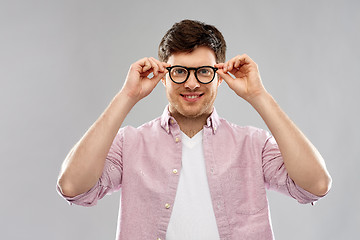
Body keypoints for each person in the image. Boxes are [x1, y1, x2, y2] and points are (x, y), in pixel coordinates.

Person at [57, 19, 332, 240]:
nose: (191, 84)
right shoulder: (130, 143)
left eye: (203, 72)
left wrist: (258, 94)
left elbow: (316, 185)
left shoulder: (253, 145)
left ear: (220, 77)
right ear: (164, 76)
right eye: (179, 71)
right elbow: (72, 186)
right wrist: (127, 95)